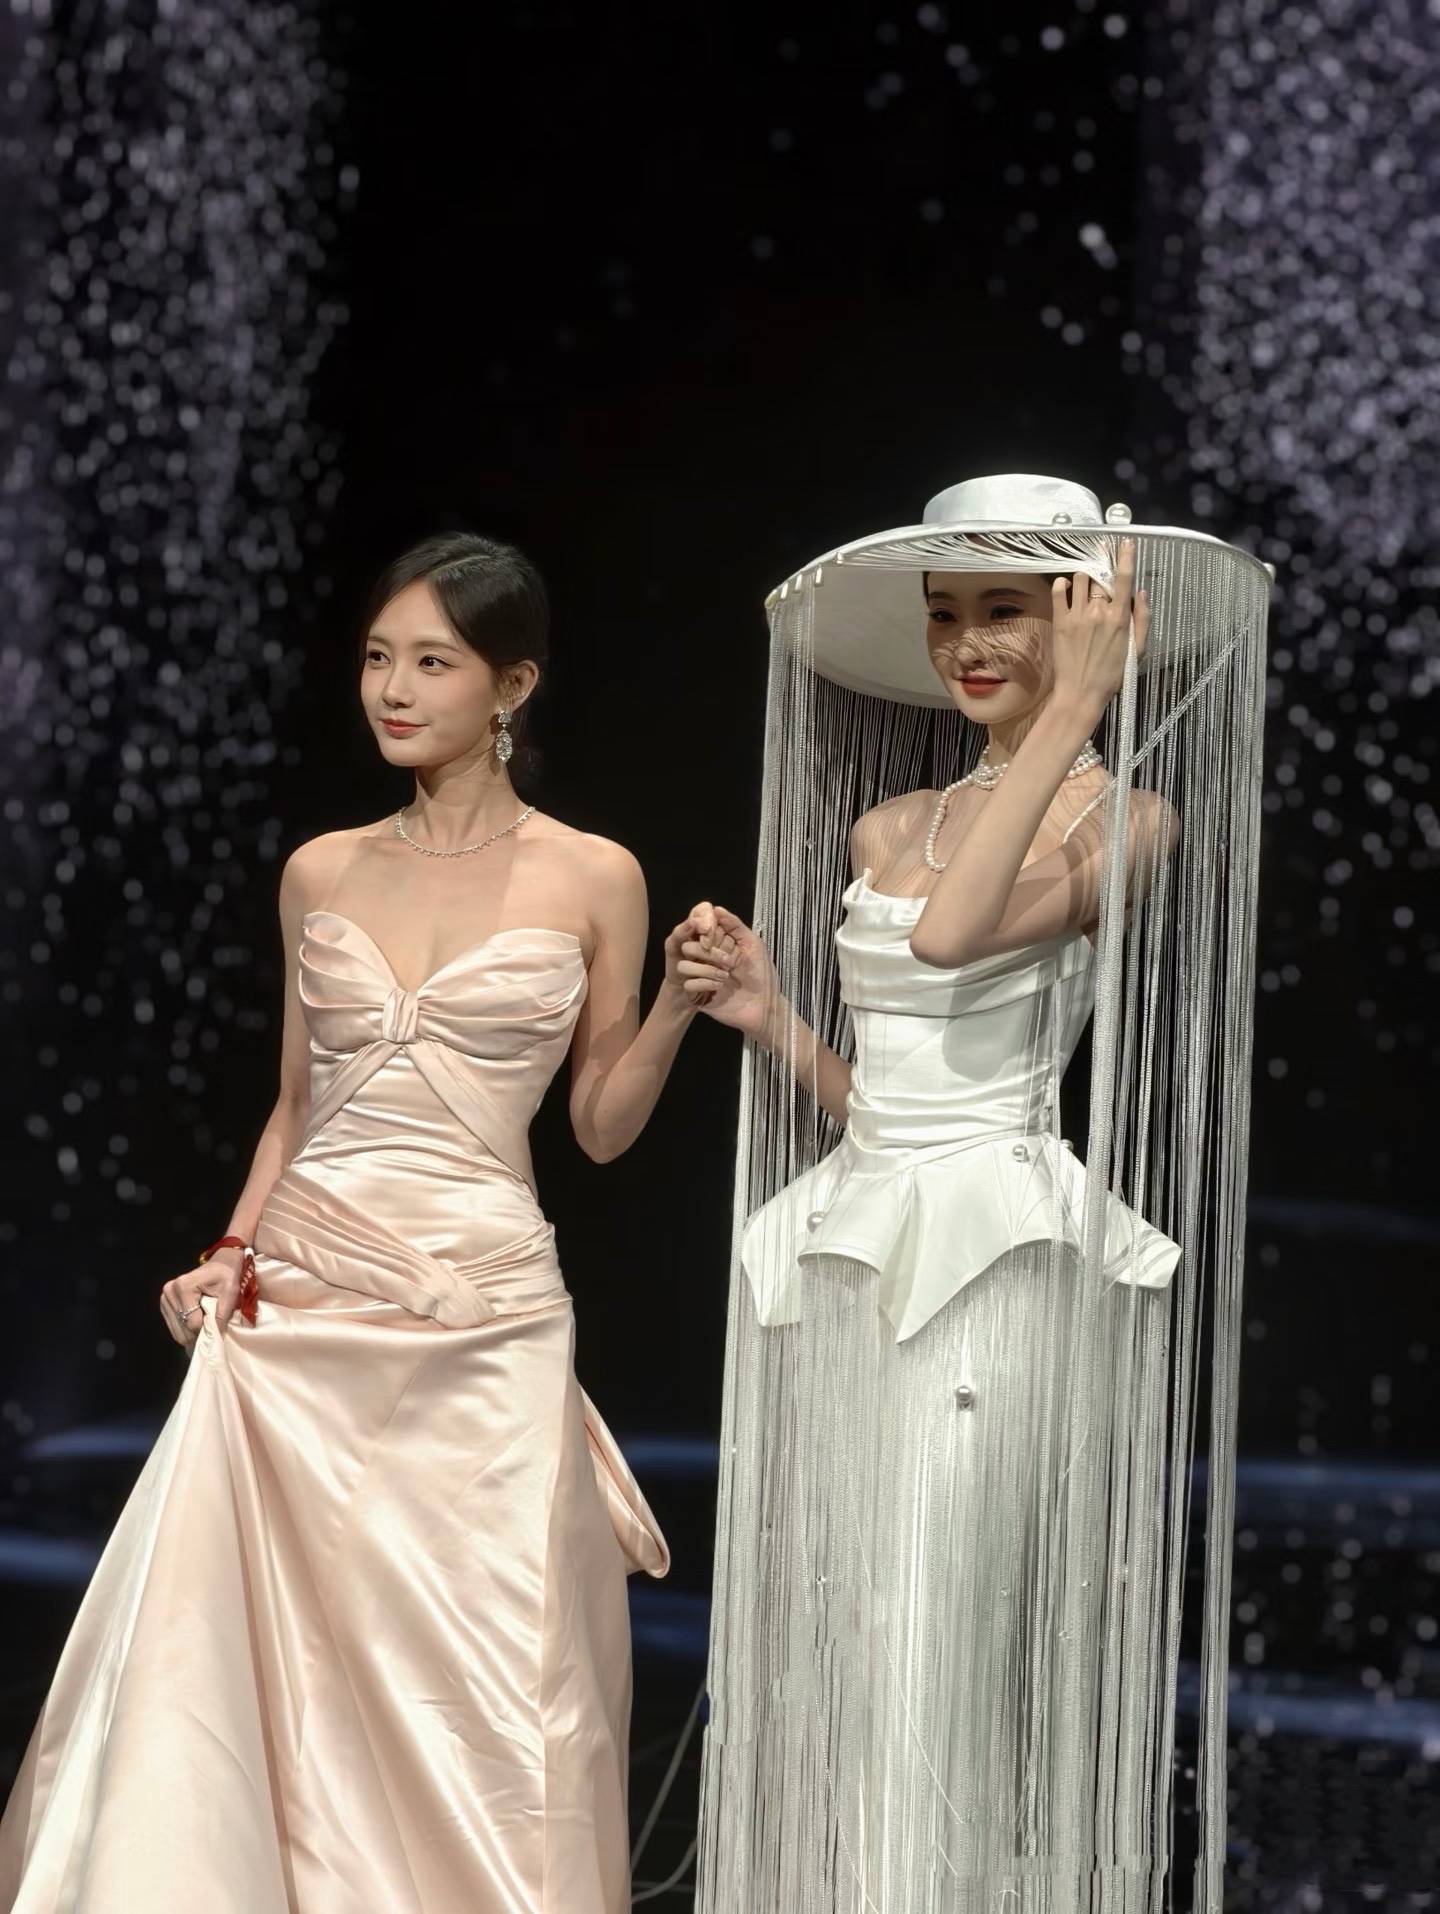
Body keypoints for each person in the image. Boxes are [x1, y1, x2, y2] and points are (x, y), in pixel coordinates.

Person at [0, 532, 710, 1914]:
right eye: (379, 657)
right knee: (256, 1659)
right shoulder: (321, 870)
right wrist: (228, 1254)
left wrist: (678, 1008)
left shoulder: (594, 875)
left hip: (482, 1308)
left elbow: (599, 1125)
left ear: (513, 685)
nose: (392, 688)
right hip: (305, 1305)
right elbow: (293, 1106)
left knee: (480, 1665)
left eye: (432, 662)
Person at [682, 475, 1269, 1911]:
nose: (965, 645)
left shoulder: (1127, 820)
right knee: (854, 1622)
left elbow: (950, 941)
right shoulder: (889, 825)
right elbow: (891, 1102)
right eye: (946, 615)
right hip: (857, 1246)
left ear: (1086, 620)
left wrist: (1082, 709)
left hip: (1000, 1256)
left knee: (945, 1614)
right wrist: (771, 1019)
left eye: (1007, 609)